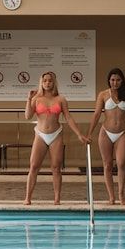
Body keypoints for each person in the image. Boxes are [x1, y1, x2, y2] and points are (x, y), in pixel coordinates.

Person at [24, 71, 89, 205]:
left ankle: (57, 198)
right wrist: (29, 99)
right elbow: (28, 116)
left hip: (56, 134)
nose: (47, 83)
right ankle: (27, 198)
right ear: (41, 83)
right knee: (34, 166)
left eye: (50, 81)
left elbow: (68, 118)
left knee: (56, 167)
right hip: (40, 134)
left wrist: (79, 134)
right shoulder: (36, 99)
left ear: (54, 83)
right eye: (45, 81)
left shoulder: (61, 99)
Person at [88, 67, 125, 204]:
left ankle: (121, 193)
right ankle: (111, 196)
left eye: (118, 80)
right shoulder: (103, 95)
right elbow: (96, 114)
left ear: (122, 81)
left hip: (121, 133)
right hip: (106, 133)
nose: (115, 82)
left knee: (121, 163)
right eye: (112, 80)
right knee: (108, 165)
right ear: (109, 81)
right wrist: (89, 133)